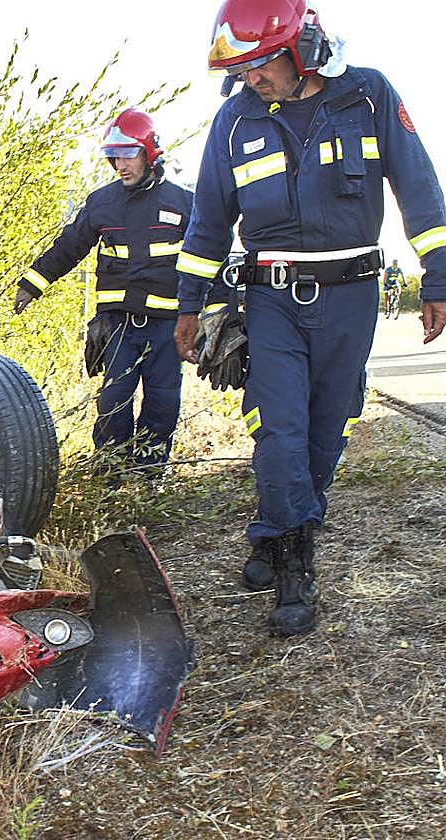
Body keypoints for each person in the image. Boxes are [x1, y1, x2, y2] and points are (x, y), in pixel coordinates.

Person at [173, 0, 446, 636]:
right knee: (280, 430)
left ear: (303, 49)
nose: (250, 80)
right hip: (270, 300)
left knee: (329, 426)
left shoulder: (369, 95)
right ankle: (297, 565)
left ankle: (276, 530)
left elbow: (420, 187)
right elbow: (209, 220)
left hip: (352, 296)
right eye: (239, 70)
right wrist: (190, 303)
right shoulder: (234, 121)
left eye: (259, 64)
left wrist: (439, 276)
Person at [15, 109, 193, 477]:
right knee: (113, 403)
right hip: (118, 327)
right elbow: (69, 247)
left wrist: (213, 313)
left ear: (150, 152)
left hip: (167, 329)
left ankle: (148, 478)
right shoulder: (102, 203)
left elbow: (208, 257)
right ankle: (110, 476)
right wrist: (32, 284)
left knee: (162, 406)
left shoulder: (184, 203)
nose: (120, 165)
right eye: (114, 156)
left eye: (128, 154)